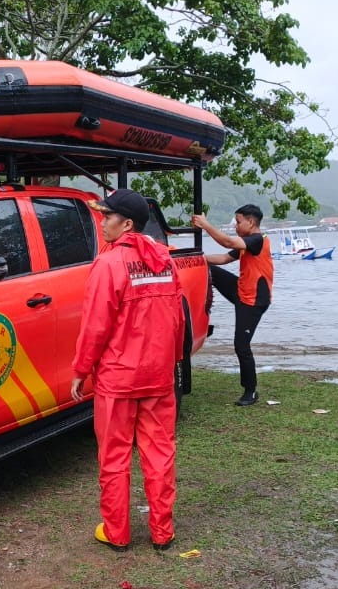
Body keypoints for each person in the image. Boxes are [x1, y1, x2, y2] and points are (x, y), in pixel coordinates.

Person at [71, 189, 185, 552]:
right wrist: (173, 362)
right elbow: (177, 318)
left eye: (107, 217)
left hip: (118, 378)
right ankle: (162, 532)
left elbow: (95, 326)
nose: (102, 222)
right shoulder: (165, 260)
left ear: (127, 224)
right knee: (160, 453)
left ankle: (117, 532)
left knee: (115, 456)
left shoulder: (108, 264)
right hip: (157, 376)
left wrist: (81, 369)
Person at [191, 204, 274, 406]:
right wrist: (195, 258)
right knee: (208, 267)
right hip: (241, 291)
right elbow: (223, 258)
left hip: (253, 301)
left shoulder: (256, 240)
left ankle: (251, 391)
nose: (236, 226)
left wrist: (205, 224)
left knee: (241, 346)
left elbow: (227, 241)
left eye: (238, 222)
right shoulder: (246, 244)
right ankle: (201, 307)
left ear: (251, 222)